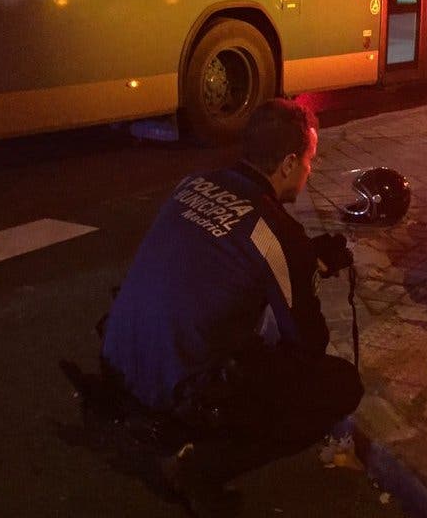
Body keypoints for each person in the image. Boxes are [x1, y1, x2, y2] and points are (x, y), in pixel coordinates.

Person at [100, 99, 363, 516]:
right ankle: (197, 465)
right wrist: (304, 272)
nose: (311, 172)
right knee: (339, 385)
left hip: (121, 358)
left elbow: (219, 256)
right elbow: (308, 343)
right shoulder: (278, 232)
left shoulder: (192, 184)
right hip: (174, 386)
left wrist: (304, 258)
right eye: (311, 161)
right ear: (289, 164)